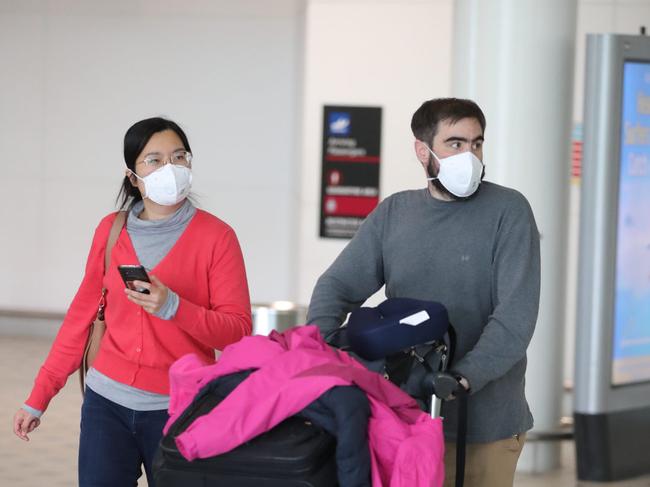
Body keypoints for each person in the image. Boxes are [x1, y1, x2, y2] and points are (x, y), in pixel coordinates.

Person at [307, 98, 540, 487]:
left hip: (484, 427)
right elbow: (338, 285)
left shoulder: (508, 211)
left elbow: (515, 318)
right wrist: (318, 343)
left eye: (476, 143)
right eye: (455, 143)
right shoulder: (395, 213)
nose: (469, 155)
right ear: (422, 150)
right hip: (404, 421)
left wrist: (462, 377)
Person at [13, 117, 253, 486]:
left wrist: (173, 306)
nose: (169, 168)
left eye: (178, 157)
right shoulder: (111, 231)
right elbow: (80, 318)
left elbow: (237, 332)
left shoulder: (217, 237)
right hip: (106, 403)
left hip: (179, 409)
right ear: (132, 176)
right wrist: (39, 396)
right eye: (154, 160)